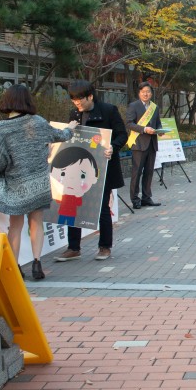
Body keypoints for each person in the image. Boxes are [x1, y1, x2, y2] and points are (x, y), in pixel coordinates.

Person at [0, 85, 76, 280]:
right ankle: (37, 263)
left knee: (15, 225)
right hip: (39, 182)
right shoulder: (38, 122)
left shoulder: (0, 128)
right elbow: (61, 136)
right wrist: (71, 128)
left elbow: (0, 162)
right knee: (36, 223)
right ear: (27, 101)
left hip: (16, 183)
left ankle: (15, 269)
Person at [55, 80, 128, 263]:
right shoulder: (75, 114)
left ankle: (104, 247)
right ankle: (73, 248)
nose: (76, 104)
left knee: (102, 208)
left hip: (102, 169)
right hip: (75, 170)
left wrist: (113, 147)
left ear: (90, 96)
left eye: (80, 100)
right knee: (72, 206)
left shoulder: (108, 110)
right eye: (73, 100)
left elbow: (122, 134)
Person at [126, 82, 161, 210]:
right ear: (139, 93)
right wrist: (145, 129)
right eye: (143, 91)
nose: (146, 94)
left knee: (149, 172)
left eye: (148, 91)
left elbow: (158, 124)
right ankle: (135, 199)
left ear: (151, 93)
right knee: (137, 172)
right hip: (139, 144)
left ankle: (146, 198)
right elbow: (129, 124)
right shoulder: (133, 106)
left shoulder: (155, 107)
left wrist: (160, 131)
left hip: (152, 143)